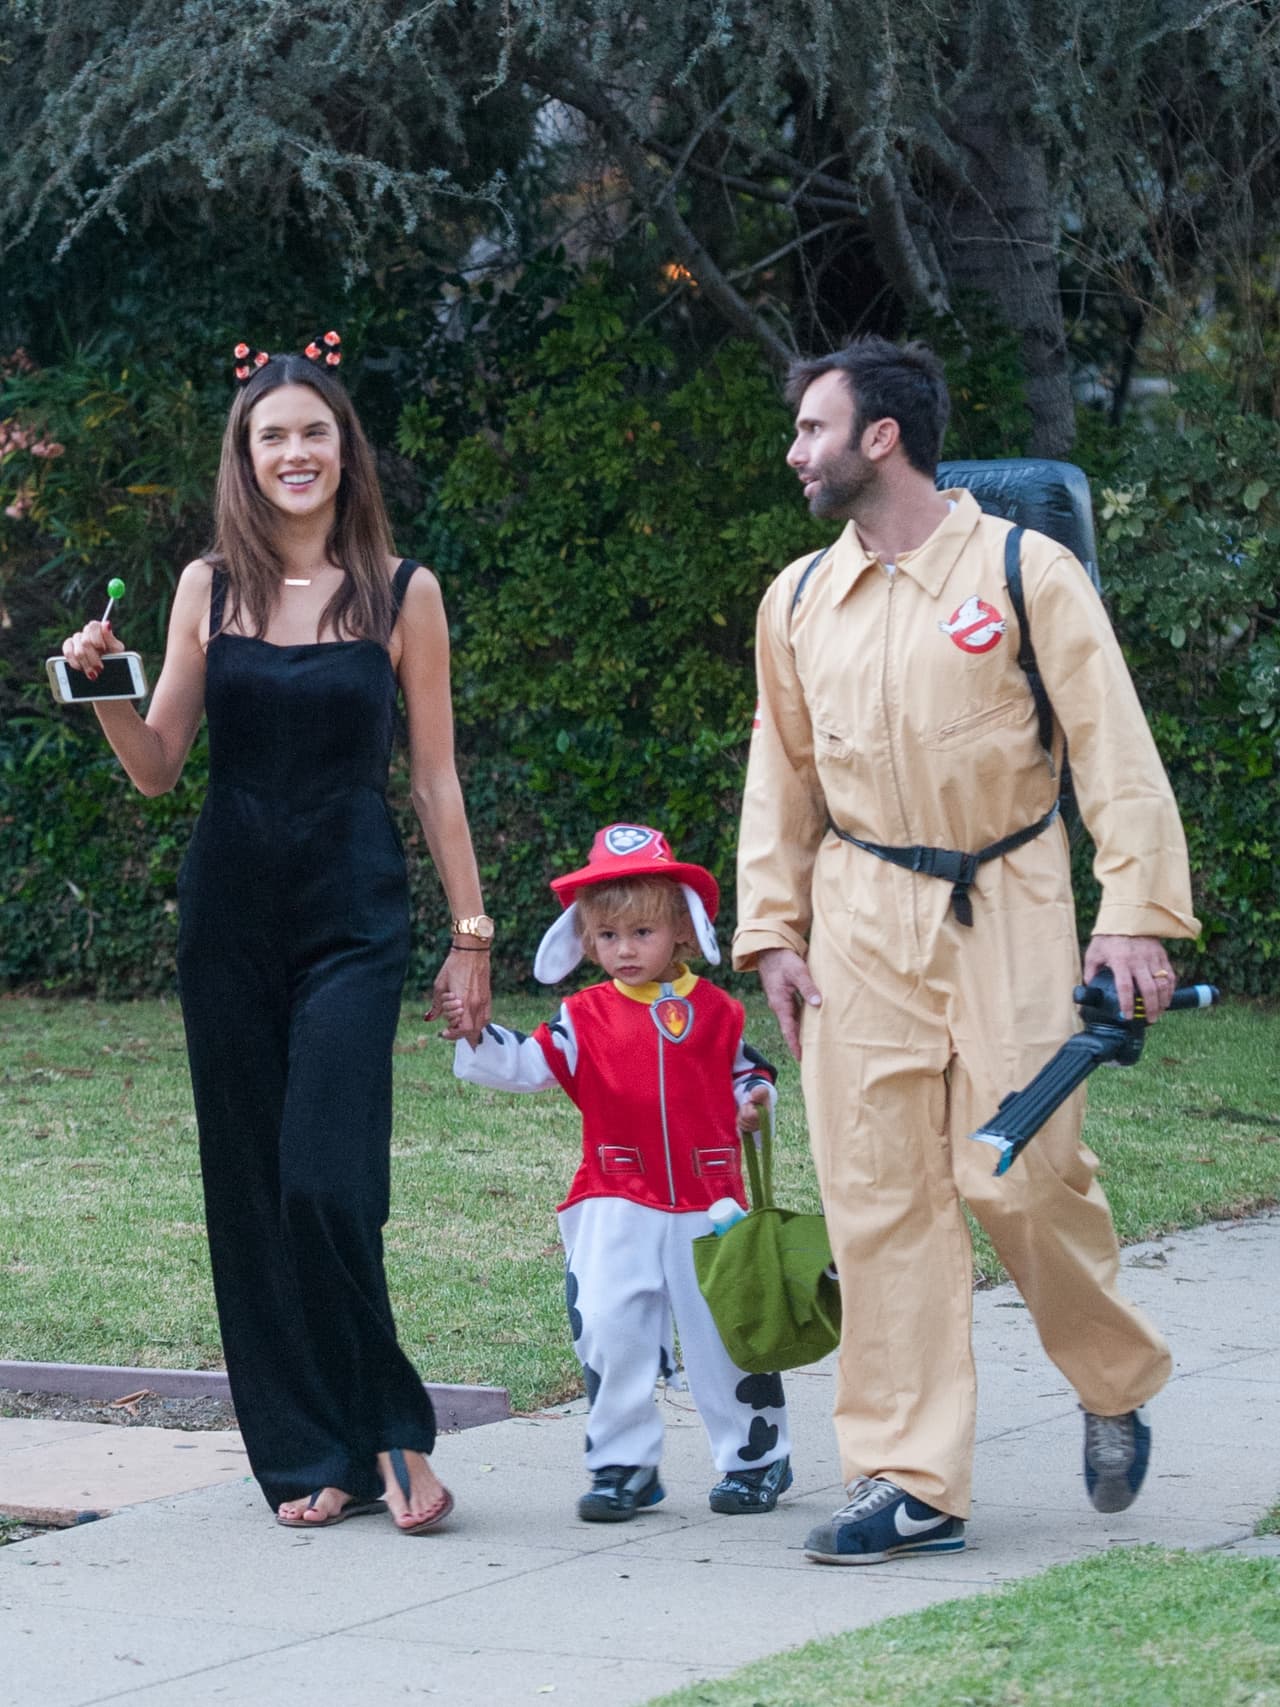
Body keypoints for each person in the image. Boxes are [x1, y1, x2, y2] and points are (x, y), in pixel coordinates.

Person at [733, 336, 1199, 1565]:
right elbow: (777, 774)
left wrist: (1134, 914)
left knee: (1017, 1173)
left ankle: (1110, 1375)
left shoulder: (1022, 570)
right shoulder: (795, 600)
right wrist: (771, 931)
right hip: (858, 917)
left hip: (1009, 895)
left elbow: (1112, 750)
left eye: (812, 431)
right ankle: (908, 1478)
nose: (795, 454)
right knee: (876, 1197)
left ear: (879, 437)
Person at [58, 339, 493, 1533]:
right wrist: (91, 682)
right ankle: (313, 1451)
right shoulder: (207, 587)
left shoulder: (405, 592)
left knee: (326, 1178)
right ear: (243, 461)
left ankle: (395, 1429)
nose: (295, 453)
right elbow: (155, 767)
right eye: (271, 437)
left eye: (314, 433)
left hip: (353, 917)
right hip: (230, 918)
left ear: (344, 449)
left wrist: (471, 933)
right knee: (251, 1191)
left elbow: (437, 782)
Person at [446, 824, 794, 1522]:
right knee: (609, 1328)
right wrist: (477, 1033)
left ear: (682, 933)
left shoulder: (718, 1013)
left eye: (641, 932)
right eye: (608, 936)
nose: (624, 949)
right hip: (615, 1199)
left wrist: (753, 1104)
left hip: (710, 1204)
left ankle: (756, 1457)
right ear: (586, 940)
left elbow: (749, 1076)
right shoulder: (584, 1016)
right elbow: (530, 1060)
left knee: (725, 1333)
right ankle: (623, 1467)